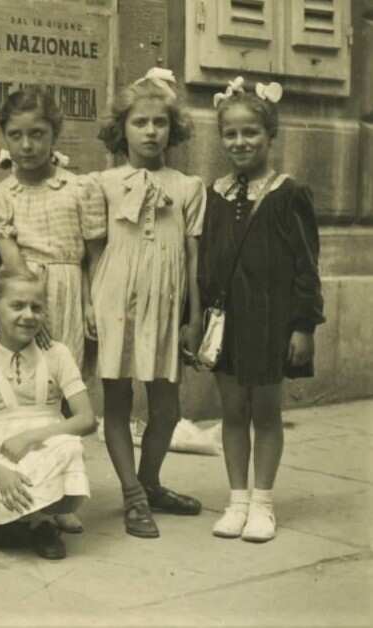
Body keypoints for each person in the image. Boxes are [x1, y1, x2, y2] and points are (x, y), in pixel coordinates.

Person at [199, 77, 323, 543]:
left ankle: (264, 503)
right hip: (226, 321)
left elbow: (306, 266)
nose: (240, 142)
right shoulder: (216, 192)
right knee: (232, 411)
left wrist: (304, 325)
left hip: (271, 319)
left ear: (270, 135)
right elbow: (207, 259)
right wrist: (202, 319)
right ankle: (236, 501)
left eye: (250, 132)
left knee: (265, 411)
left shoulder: (289, 193)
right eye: (230, 134)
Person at [88, 68, 206, 538]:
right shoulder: (102, 183)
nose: (151, 131)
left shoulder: (188, 186)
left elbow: (194, 257)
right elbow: (94, 251)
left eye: (160, 122)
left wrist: (193, 316)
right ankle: (132, 495)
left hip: (166, 302)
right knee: (117, 401)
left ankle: (151, 480)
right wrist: (89, 303)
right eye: (140, 122)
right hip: (115, 297)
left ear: (172, 129)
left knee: (167, 406)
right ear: (123, 129)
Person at [0, 268, 95, 560]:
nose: (29, 315)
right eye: (17, 306)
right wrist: (1, 474)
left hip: (46, 445)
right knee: (1, 490)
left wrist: (30, 436)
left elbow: (86, 419)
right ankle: (31, 521)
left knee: (69, 445)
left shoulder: (57, 354)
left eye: (36, 307)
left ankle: (44, 519)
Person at [0, 87, 106, 374]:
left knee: (67, 373)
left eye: (37, 134)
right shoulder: (0, 195)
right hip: (22, 292)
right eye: (16, 135)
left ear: (54, 134)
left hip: (70, 293)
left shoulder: (80, 188)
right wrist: (31, 305)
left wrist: (92, 304)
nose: (26, 145)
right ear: (5, 137)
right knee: (25, 375)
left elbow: (94, 258)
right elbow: (12, 261)